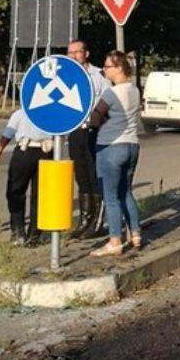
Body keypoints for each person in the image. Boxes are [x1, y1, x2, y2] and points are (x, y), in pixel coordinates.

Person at [88, 50, 142, 257]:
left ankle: (115, 241)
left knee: (110, 197)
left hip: (110, 146)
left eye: (108, 67)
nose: (104, 70)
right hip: (132, 145)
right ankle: (135, 234)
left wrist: (97, 123)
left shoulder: (111, 93)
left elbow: (95, 118)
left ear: (119, 68)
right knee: (125, 192)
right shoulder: (134, 90)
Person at [0, 108, 53, 246]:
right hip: (47, 152)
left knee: (15, 191)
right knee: (40, 195)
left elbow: (7, 135)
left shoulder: (21, 113)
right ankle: (35, 234)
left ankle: (18, 232)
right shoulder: (52, 111)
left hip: (25, 151)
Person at [67, 40, 110, 239]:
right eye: (70, 53)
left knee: (94, 174)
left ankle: (97, 222)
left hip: (93, 129)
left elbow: (107, 102)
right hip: (75, 130)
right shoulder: (66, 75)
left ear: (86, 53)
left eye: (77, 52)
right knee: (81, 174)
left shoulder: (98, 75)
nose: (74, 56)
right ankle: (85, 219)